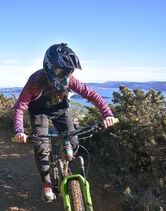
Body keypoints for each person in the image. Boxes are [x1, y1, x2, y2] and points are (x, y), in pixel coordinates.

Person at [12, 43, 115, 202]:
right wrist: (19, 131)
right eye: (62, 70)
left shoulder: (70, 80)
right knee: (41, 146)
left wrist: (107, 113)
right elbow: (20, 107)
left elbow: (92, 95)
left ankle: (64, 164)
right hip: (39, 112)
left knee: (73, 141)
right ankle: (46, 182)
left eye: (69, 71)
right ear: (49, 66)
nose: (66, 74)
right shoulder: (35, 81)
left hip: (60, 110)